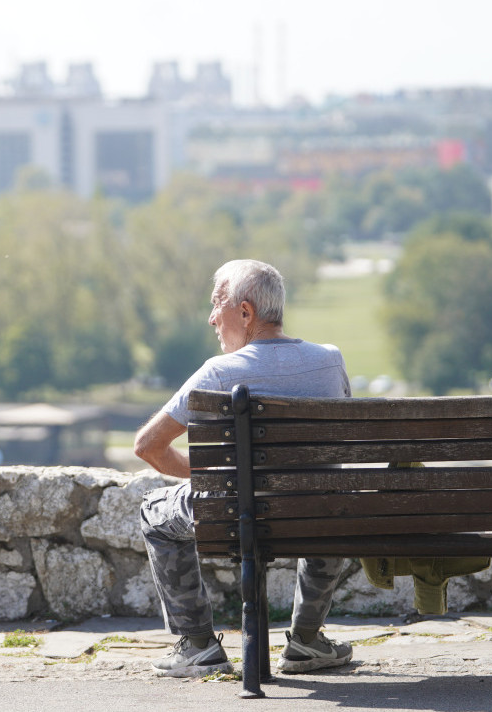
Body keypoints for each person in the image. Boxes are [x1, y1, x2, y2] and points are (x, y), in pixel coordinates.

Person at [134, 259, 353, 678]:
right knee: (325, 499)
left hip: (235, 516)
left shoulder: (219, 372)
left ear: (246, 312)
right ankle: (306, 640)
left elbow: (148, 446)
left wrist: (210, 478)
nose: (211, 317)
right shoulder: (330, 360)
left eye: (218, 303)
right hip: (317, 512)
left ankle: (198, 645)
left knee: (154, 513)